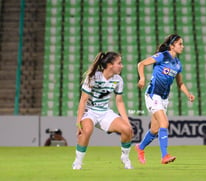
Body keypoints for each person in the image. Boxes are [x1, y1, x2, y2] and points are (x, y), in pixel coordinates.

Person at [135, 34, 195, 164]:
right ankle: (165, 155)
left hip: (163, 98)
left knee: (155, 129)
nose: (183, 46)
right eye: (180, 44)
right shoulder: (163, 56)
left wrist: (188, 94)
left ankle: (140, 147)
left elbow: (180, 83)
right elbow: (141, 64)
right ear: (172, 45)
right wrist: (142, 78)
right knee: (164, 123)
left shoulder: (178, 64)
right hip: (153, 94)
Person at [72, 52, 134, 170]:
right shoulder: (93, 77)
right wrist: (78, 123)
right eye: (119, 63)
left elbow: (119, 102)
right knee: (87, 130)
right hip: (89, 112)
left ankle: (125, 157)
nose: (122, 66)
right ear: (110, 65)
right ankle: (78, 161)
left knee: (127, 130)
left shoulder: (118, 80)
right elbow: (83, 101)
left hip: (105, 112)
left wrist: (127, 122)